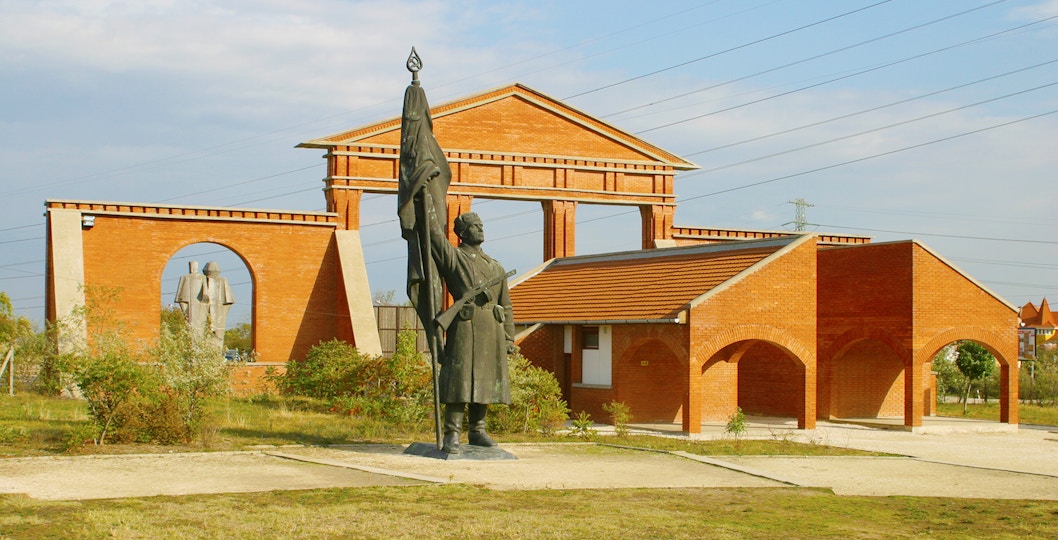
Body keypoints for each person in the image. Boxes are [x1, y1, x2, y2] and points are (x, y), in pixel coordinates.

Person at [429, 211, 515, 454]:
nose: (480, 228)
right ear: (462, 233)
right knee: (460, 379)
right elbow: (435, 237)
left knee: (486, 381)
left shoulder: (496, 266)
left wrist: (509, 337)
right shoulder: (455, 258)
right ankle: (452, 433)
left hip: (492, 329)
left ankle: (478, 430)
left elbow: (506, 306)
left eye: (481, 225)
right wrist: (427, 204)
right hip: (465, 327)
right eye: (474, 226)